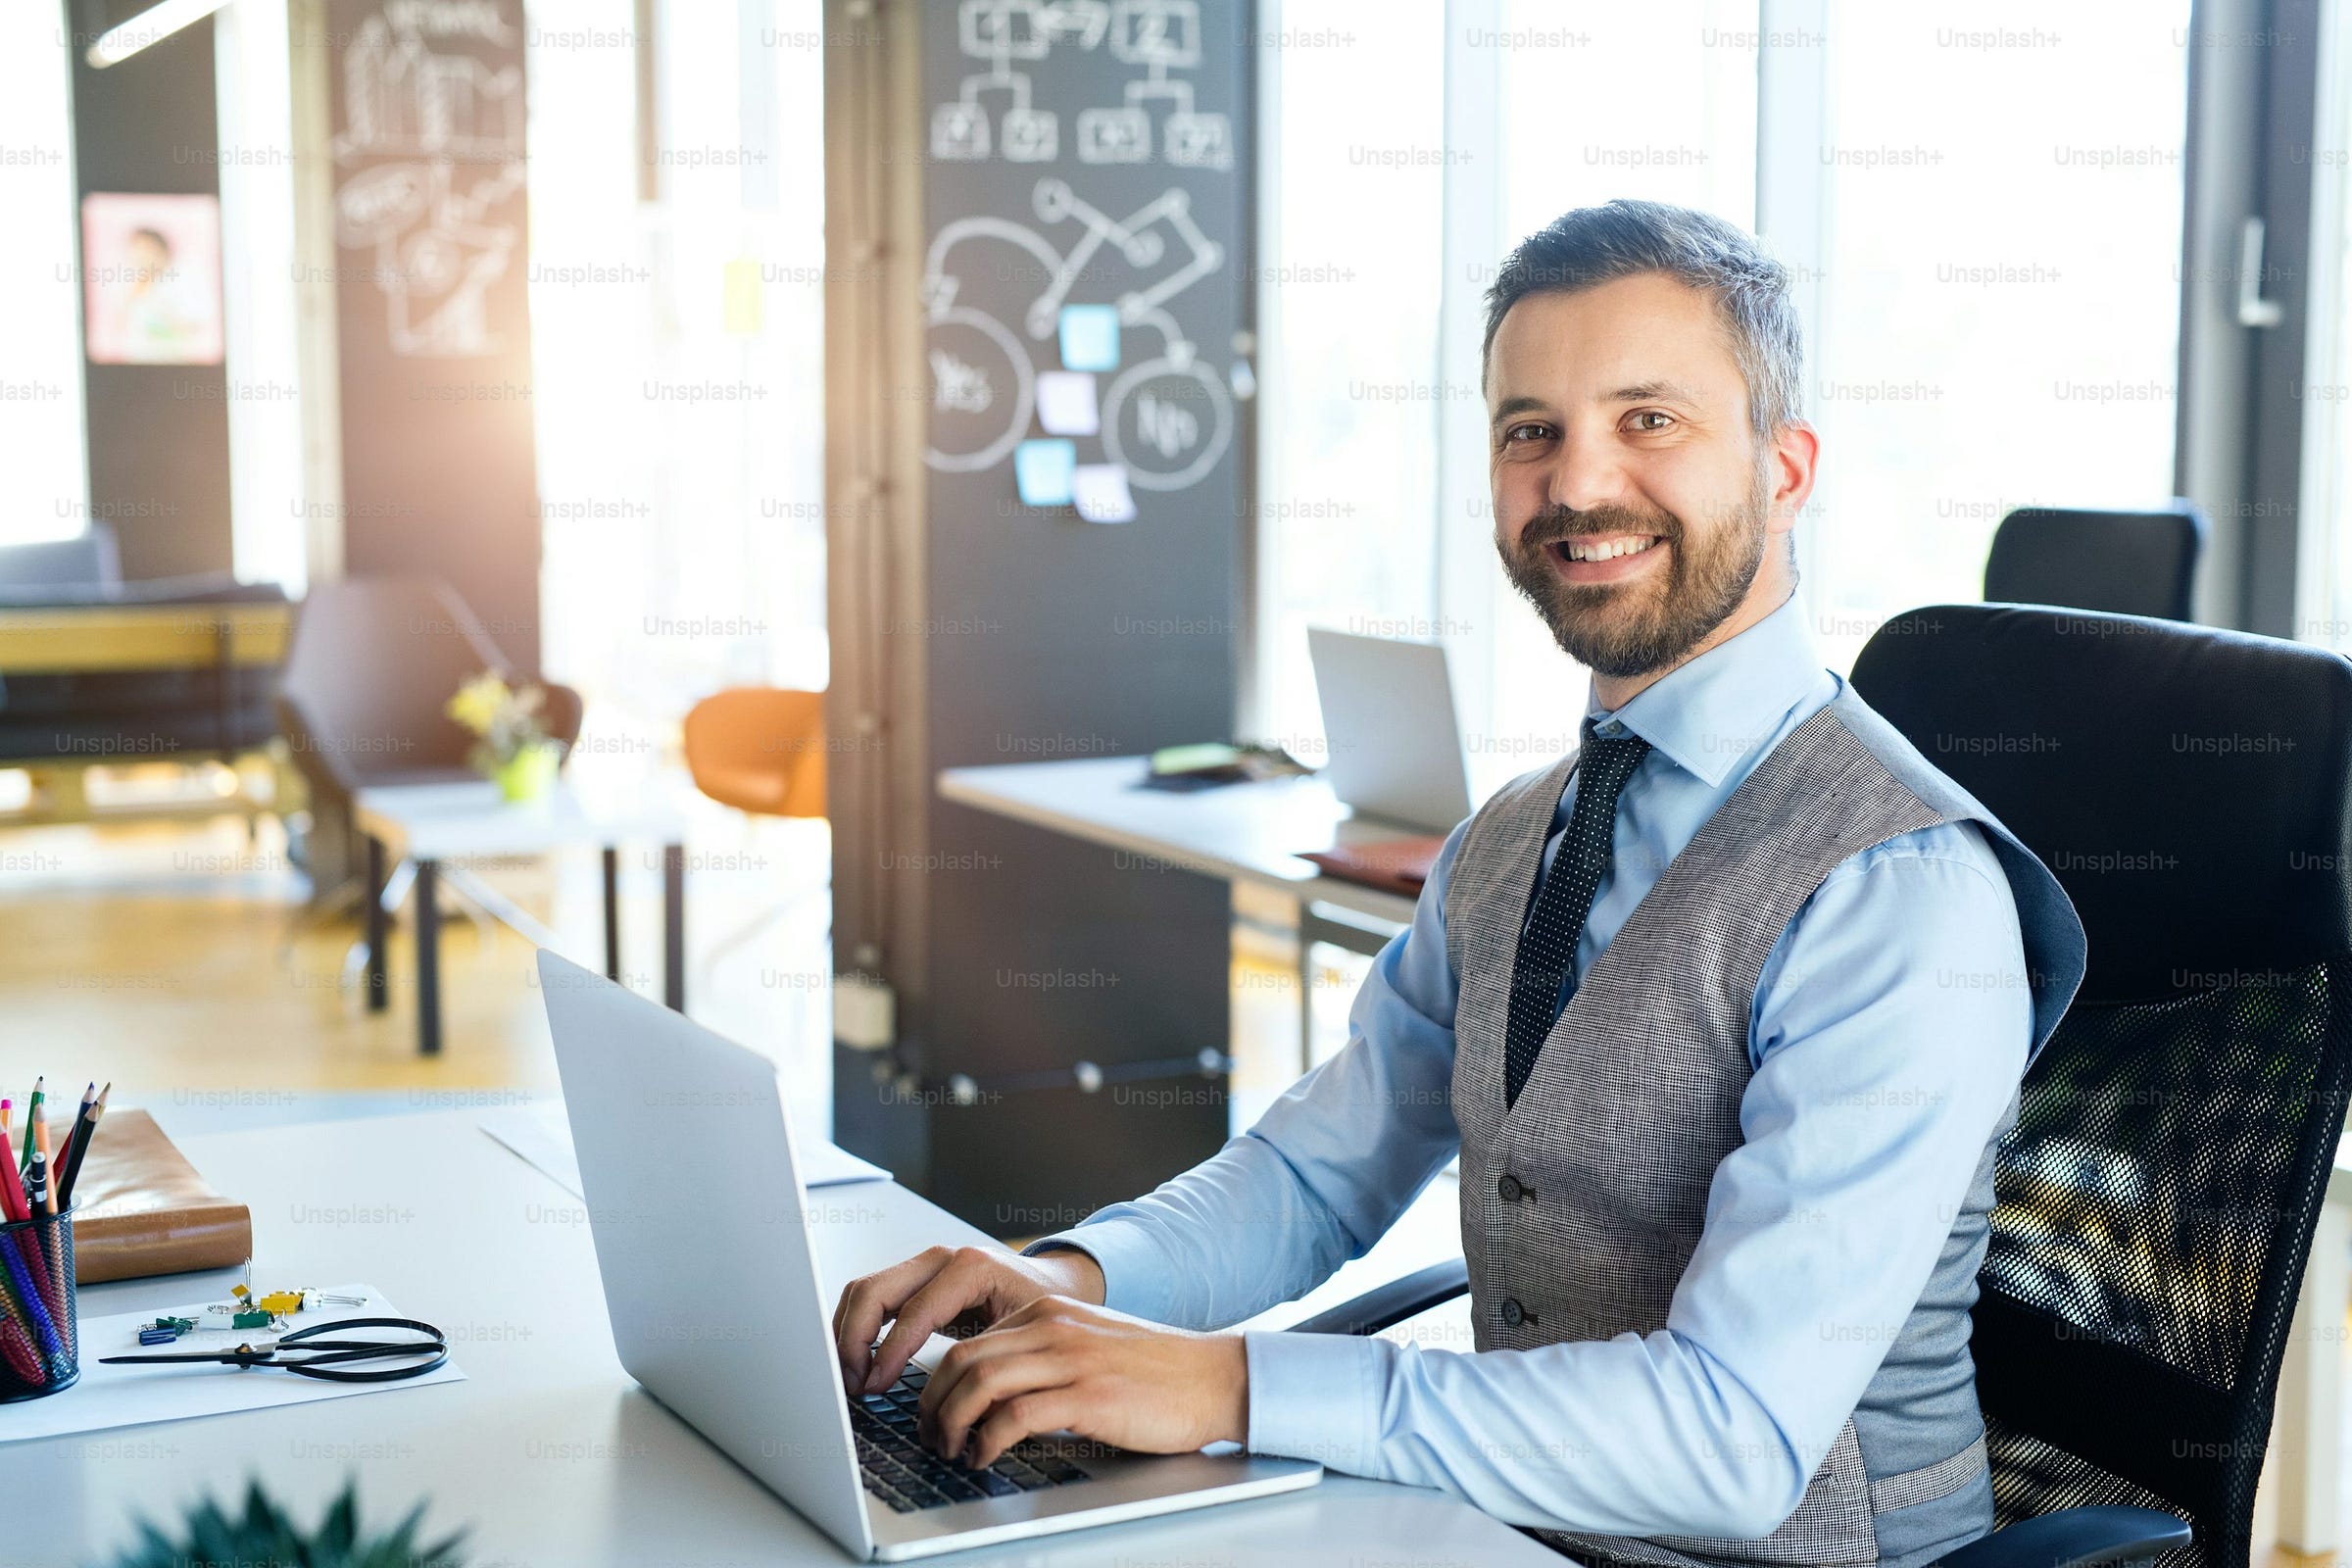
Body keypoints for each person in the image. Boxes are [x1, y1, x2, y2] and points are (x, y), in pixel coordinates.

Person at [833, 199, 2085, 1568]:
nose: (1579, 482)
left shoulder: (1898, 892)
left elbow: (1732, 1439)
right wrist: (1065, 1280)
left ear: (1785, 469)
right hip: (1505, 1530)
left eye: (1649, 420)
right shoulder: (1515, 836)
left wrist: (1229, 1387)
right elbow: (1320, 1175)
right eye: (1528, 429)